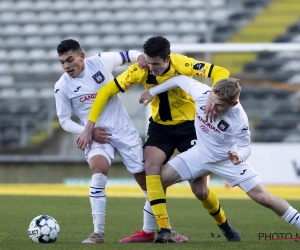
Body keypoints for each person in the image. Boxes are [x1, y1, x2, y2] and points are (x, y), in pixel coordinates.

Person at [77, 36, 241, 242]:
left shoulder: (182, 64)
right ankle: (164, 230)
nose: (151, 68)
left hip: (191, 127)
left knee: (200, 190)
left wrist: (212, 96)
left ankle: (224, 225)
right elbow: (105, 92)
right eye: (148, 61)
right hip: (161, 128)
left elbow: (221, 72)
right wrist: (89, 125)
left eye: (156, 64)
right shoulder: (140, 69)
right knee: (150, 166)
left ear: (168, 59)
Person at [139, 76, 300, 243]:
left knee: (263, 198)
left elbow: (246, 146)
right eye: (212, 101)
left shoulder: (239, 119)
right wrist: (152, 91)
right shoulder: (202, 93)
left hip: (226, 161)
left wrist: (239, 156)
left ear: (233, 104)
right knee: (154, 183)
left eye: (219, 106)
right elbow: (180, 79)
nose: (212, 107)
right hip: (198, 155)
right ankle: (153, 232)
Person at [54, 39, 163, 244]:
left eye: (70, 60)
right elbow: (64, 121)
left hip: (123, 129)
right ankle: (98, 233)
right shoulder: (62, 86)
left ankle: (153, 230)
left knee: (147, 182)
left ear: (82, 56)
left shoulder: (101, 61)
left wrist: (139, 57)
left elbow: (126, 55)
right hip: (95, 135)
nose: (66, 66)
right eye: (62, 62)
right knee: (98, 170)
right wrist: (88, 131)